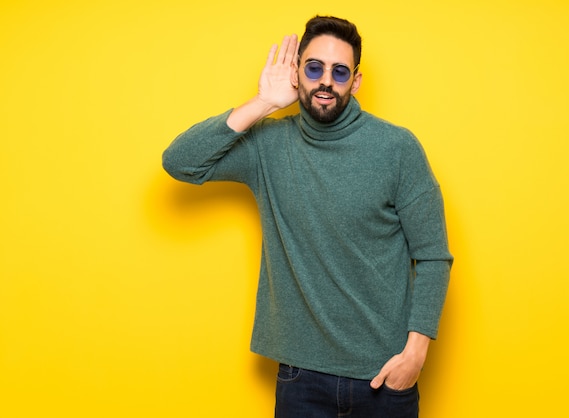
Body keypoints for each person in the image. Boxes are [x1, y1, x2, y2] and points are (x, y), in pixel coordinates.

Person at [162, 15, 453, 418]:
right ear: (297, 72)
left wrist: (415, 355)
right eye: (313, 68)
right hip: (301, 379)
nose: (326, 82)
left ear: (356, 81)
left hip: (384, 375)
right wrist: (263, 102)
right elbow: (181, 163)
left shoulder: (397, 148)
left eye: (339, 71)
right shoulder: (268, 145)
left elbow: (434, 255)